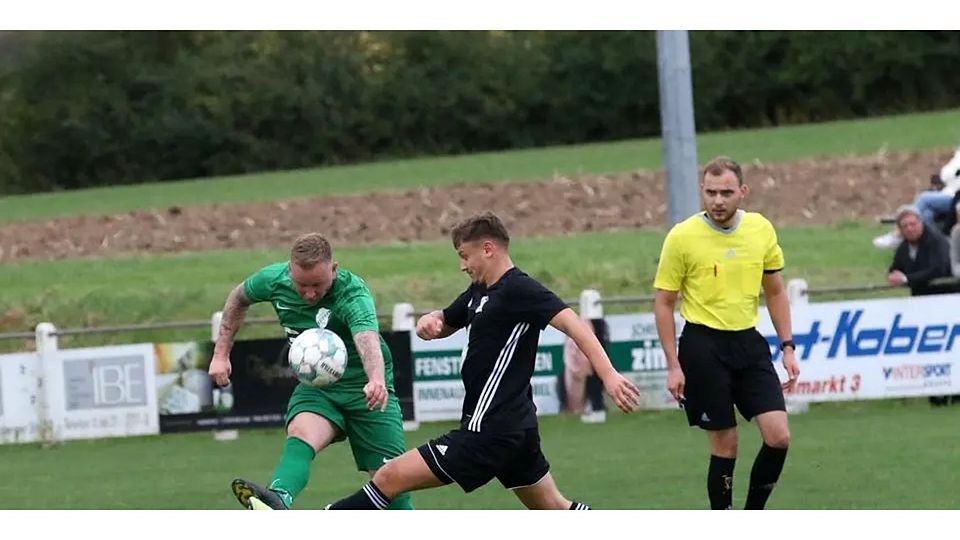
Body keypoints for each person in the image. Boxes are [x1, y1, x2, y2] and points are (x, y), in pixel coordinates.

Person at [323, 211, 641, 510]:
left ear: (487, 249)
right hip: (515, 426)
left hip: (490, 430)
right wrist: (432, 321)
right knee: (555, 508)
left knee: (389, 476)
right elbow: (448, 319)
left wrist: (609, 375)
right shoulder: (479, 291)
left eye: (464, 256)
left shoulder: (520, 289)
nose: (463, 265)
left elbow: (574, 324)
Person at [208, 233, 414, 510]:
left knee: (392, 487)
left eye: (317, 284)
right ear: (289, 270)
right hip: (319, 388)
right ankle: (278, 500)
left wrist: (376, 379)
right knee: (301, 433)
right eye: (301, 284)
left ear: (334, 269)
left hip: (367, 391)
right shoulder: (274, 280)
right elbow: (238, 297)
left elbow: (367, 339)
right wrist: (221, 354)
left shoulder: (352, 293)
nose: (309, 293)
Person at [653, 156, 801, 510]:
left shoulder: (760, 229)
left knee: (779, 437)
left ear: (743, 192)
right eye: (711, 192)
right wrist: (674, 365)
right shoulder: (682, 236)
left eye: (726, 192)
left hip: (748, 343)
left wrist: (788, 346)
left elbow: (776, 291)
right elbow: (664, 303)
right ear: (702, 192)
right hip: (702, 346)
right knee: (726, 443)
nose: (718, 200)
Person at [887, 205, 952, 296]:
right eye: (905, 226)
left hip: (946, 296)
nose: (909, 229)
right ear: (900, 230)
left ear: (921, 223)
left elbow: (938, 270)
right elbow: (895, 268)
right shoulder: (904, 246)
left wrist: (906, 279)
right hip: (919, 298)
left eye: (913, 224)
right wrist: (893, 276)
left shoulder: (936, 240)